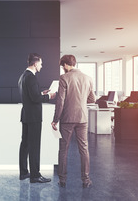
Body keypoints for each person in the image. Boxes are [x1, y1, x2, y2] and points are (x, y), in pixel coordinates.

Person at [51, 55, 96, 188]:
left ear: (65, 65)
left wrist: (55, 120)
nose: (62, 69)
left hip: (67, 119)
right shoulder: (88, 78)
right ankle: (86, 180)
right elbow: (92, 99)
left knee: (63, 149)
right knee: (84, 149)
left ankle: (63, 179)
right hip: (82, 118)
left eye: (62, 66)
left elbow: (60, 101)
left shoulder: (64, 78)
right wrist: (80, 101)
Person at [18, 53, 55, 183]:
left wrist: (41, 93)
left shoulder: (23, 76)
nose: (41, 66)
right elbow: (35, 99)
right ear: (35, 63)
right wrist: (49, 96)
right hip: (34, 117)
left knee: (25, 144)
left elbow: (31, 95)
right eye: (40, 63)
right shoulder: (32, 77)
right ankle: (35, 175)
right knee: (34, 145)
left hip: (26, 115)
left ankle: (23, 172)